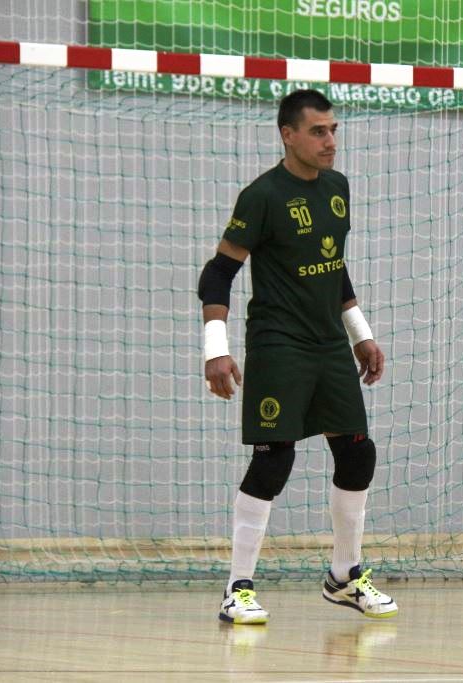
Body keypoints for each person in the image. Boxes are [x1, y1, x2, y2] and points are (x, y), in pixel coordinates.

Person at [197, 89, 397, 624]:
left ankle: (344, 577)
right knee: (274, 459)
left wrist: (360, 332)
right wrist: (216, 351)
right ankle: (237, 587)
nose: (330, 141)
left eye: (333, 130)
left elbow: (333, 267)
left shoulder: (337, 188)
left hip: (330, 342)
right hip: (279, 343)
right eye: (318, 131)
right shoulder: (262, 195)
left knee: (357, 453)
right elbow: (218, 273)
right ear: (289, 135)